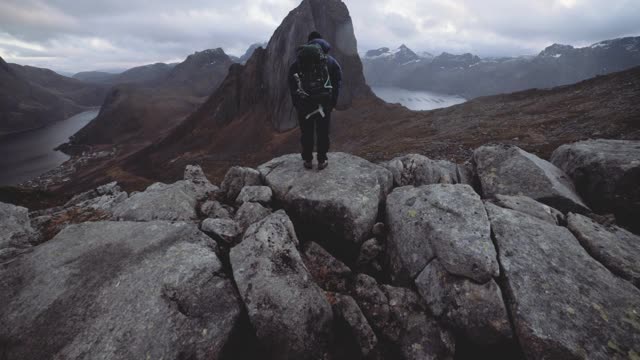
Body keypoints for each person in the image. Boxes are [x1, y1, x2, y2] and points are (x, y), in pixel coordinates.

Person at [288, 31, 342, 170]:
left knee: (307, 132)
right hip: (324, 105)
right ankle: (322, 160)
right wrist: (332, 102)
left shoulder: (298, 62)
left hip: (305, 104)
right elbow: (337, 82)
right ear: (321, 42)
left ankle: (307, 160)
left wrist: (297, 103)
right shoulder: (330, 61)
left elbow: (291, 83)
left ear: (308, 42)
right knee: (323, 132)